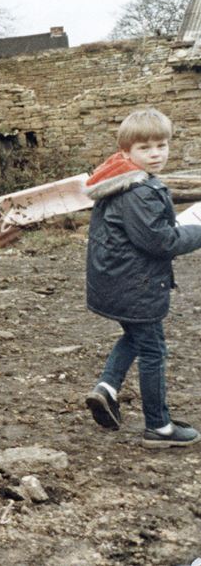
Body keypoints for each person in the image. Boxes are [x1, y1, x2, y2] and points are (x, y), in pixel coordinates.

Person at [83, 108, 201, 448]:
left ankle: (106, 388)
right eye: (145, 148)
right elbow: (160, 242)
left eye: (161, 145)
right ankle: (158, 426)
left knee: (135, 336)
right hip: (137, 284)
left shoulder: (118, 179)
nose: (156, 154)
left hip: (116, 280)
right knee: (153, 349)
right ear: (126, 152)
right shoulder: (139, 191)